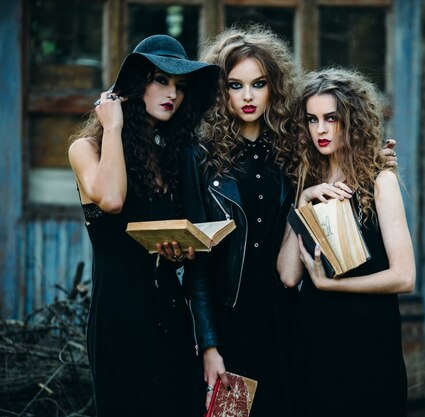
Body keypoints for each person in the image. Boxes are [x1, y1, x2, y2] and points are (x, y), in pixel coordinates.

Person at [68, 34, 219, 417]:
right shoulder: (87, 149)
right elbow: (113, 199)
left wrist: (184, 251)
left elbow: (185, 240)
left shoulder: (174, 156)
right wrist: (114, 126)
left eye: (180, 86)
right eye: (161, 80)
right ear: (137, 85)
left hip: (170, 313)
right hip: (121, 314)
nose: (172, 93)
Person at [175, 25, 301, 417]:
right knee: (230, 415)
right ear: (220, 90)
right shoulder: (201, 157)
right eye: (235, 85)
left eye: (258, 83)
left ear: (273, 87)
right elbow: (198, 263)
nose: (248, 96)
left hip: (289, 317)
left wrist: (382, 162)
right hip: (231, 318)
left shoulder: (294, 150)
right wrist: (210, 345)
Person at [276, 67, 416, 417]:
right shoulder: (305, 180)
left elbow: (404, 277)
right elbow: (288, 275)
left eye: (331, 118)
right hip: (314, 339)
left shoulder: (379, 180)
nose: (320, 130)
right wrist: (303, 202)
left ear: (352, 120)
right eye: (312, 120)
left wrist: (329, 285)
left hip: (367, 339)